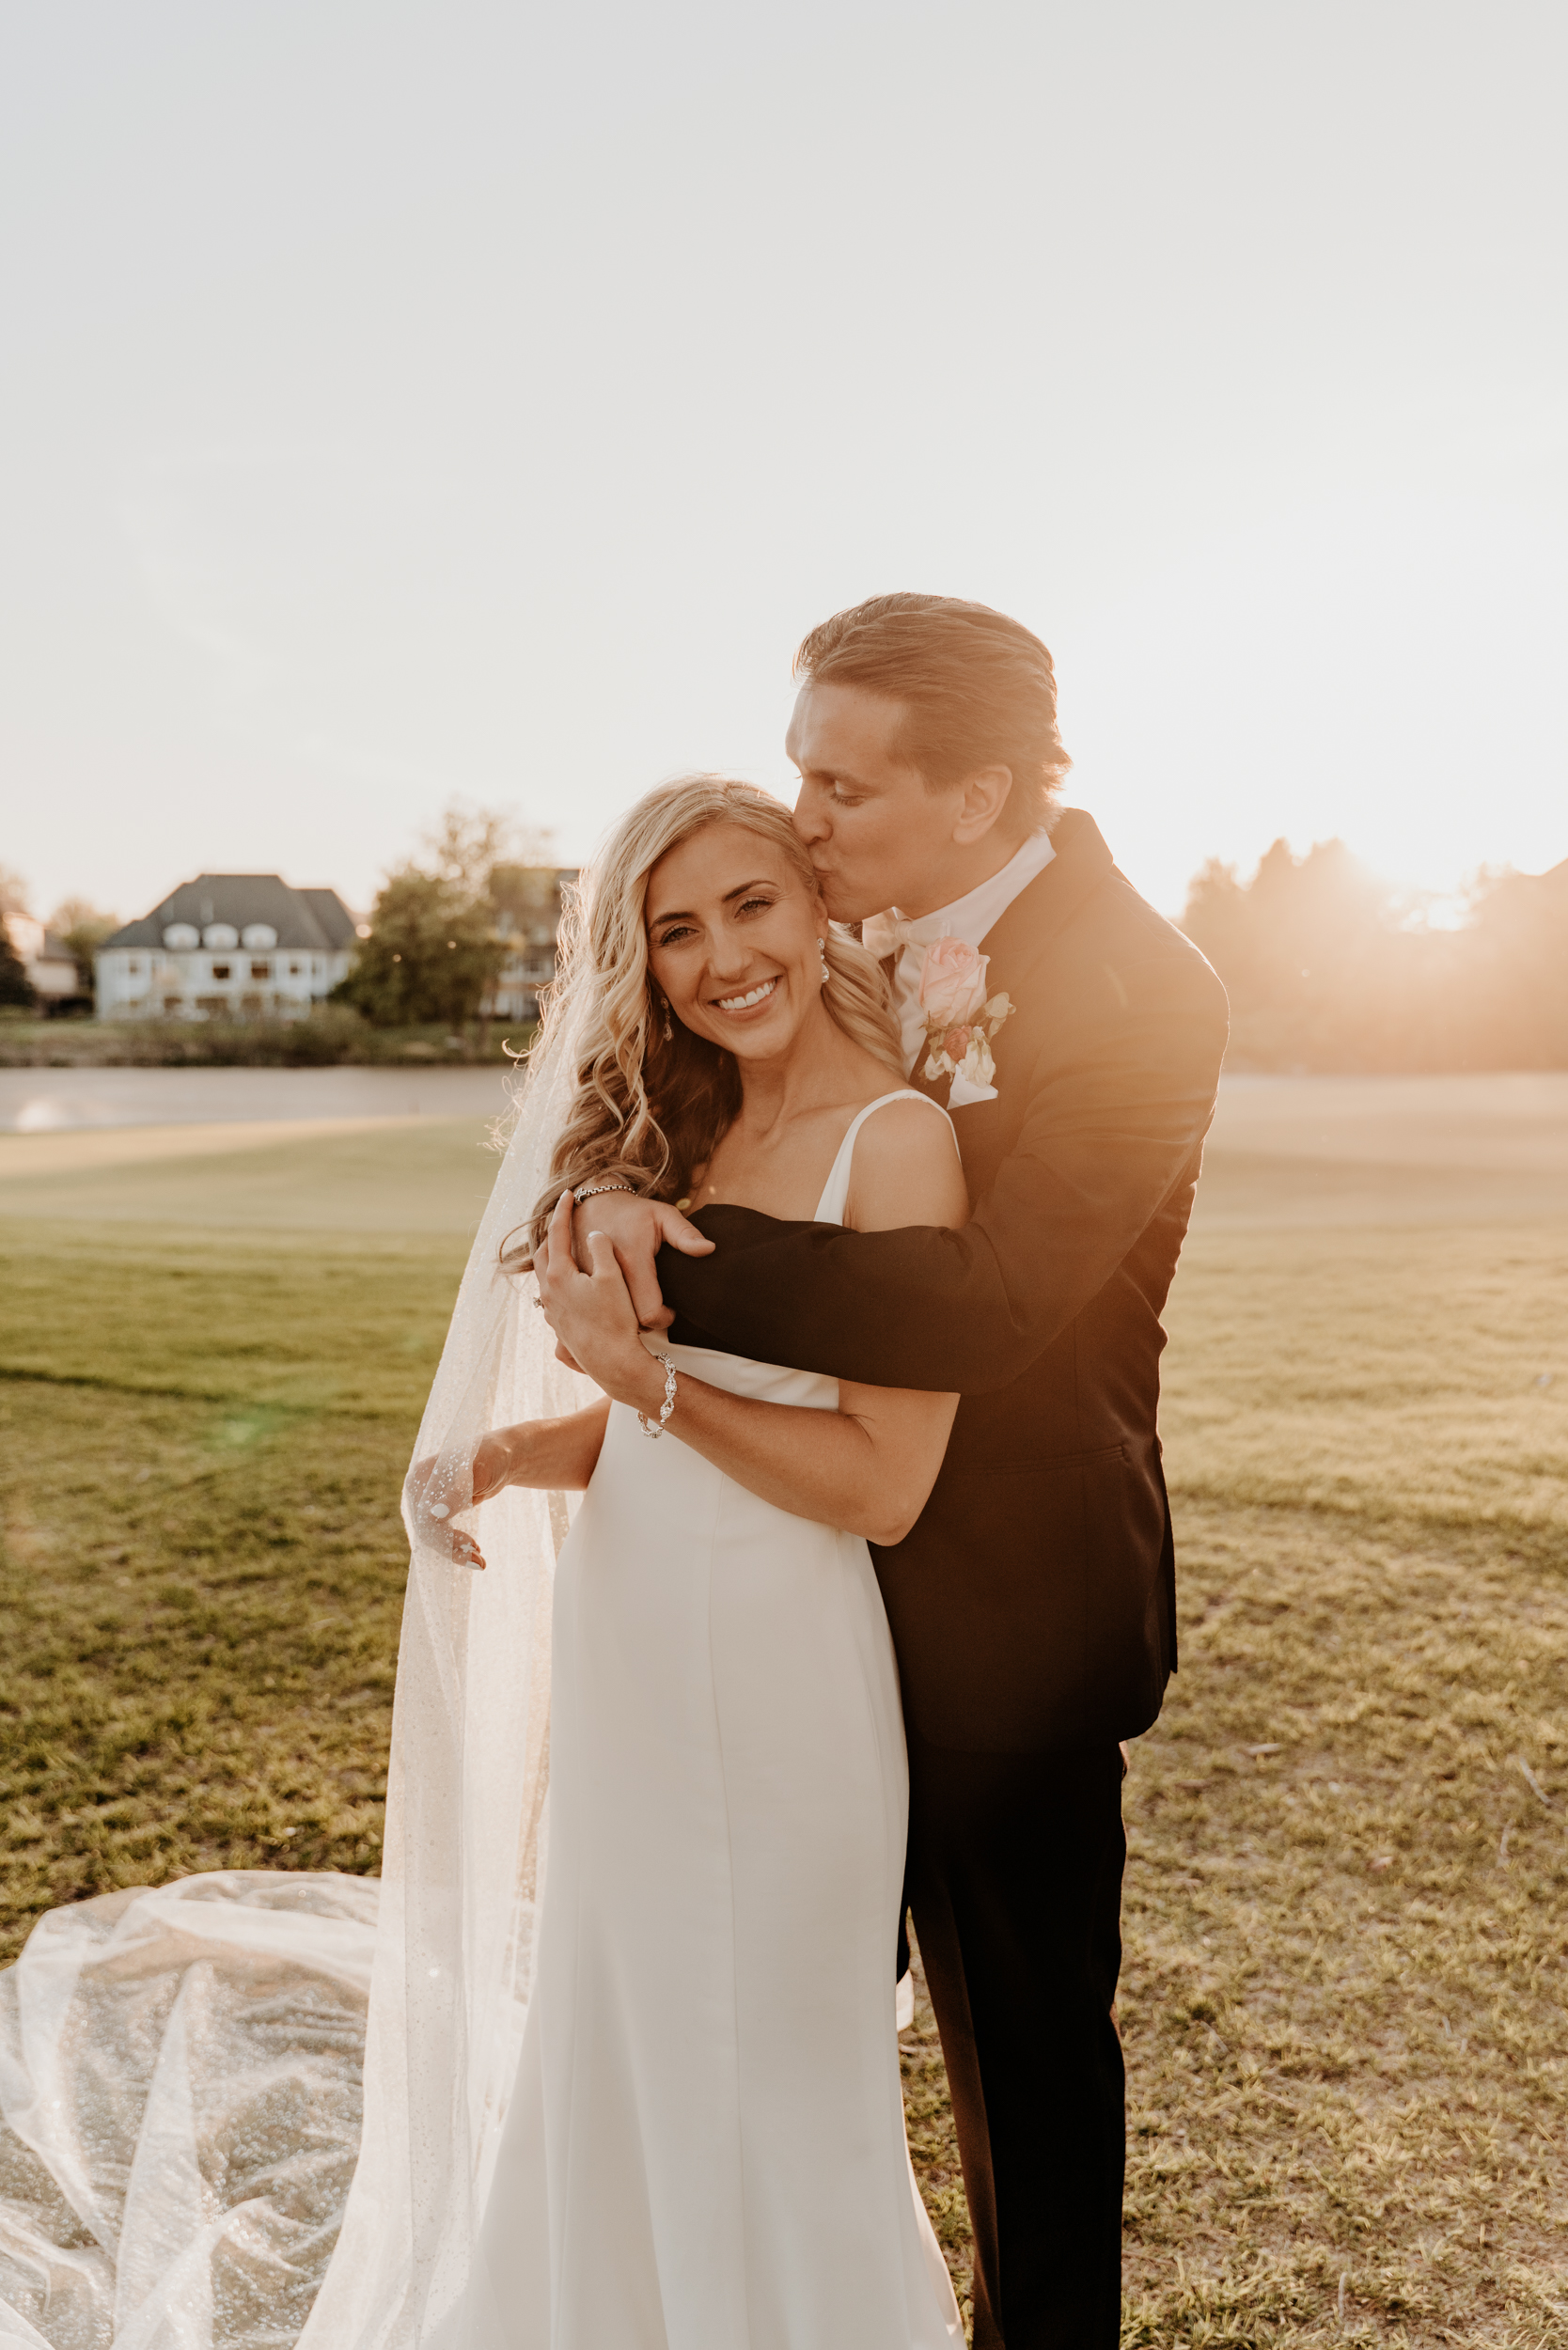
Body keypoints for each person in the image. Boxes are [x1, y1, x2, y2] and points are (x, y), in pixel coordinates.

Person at [569, 594, 1231, 2348]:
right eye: (799, 772)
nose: (802, 821)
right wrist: (614, 1192)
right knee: (762, 2029)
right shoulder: (843, 933)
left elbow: (996, 1300)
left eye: (840, 788)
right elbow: (715, 1084)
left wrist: (675, 1266)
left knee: (1022, 2068)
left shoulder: (1145, 987)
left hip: (1006, 1612)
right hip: (786, 1598)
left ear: (980, 795)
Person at [458, 775, 969, 2347]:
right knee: (623, 2030)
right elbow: (653, 1434)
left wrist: (647, 1385)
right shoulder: (672, 1138)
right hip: (629, 1659)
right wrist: (512, 1452)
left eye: (753, 905)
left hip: (782, 1671)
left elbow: (884, 1484)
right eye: (676, 930)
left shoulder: (899, 1144)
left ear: (819, 910)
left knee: (778, 2070)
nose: (723, 957)